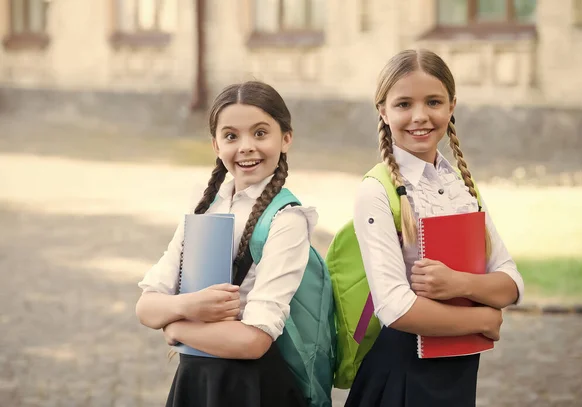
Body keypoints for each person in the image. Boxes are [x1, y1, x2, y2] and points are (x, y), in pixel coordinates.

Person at [344, 49, 525, 407]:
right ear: (382, 110)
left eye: (433, 102)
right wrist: (482, 318)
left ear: (452, 106)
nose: (420, 116)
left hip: (457, 371)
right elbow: (395, 308)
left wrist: (460, 284)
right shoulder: (376, 191)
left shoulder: (461, 185)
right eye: (403, 104)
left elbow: (511, 282)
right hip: (402, 375)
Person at [135, 81, 317, 407]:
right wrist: (190, 307)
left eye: (260, 133)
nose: (246, 146)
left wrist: (177, 327)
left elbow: (254, 341)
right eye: (231, 136)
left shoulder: (287, 219)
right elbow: (146, 306)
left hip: (251, 386)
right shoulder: (205, 206)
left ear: (286, 138)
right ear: (216, 146)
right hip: (195, 380)